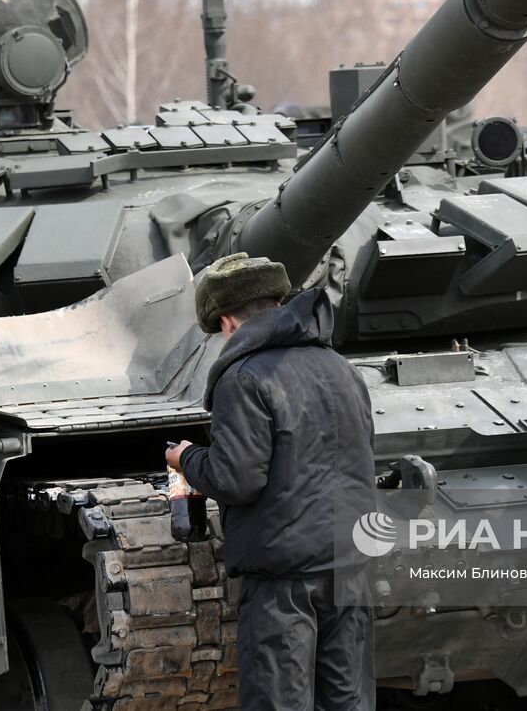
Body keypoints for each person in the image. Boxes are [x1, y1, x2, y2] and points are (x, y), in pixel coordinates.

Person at [167, 252, 376, 711]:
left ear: (226, 322)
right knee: (347, 698)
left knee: (279, 700)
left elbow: (236, 478)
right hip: (349, 563)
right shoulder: (340, 367)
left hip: (284, 579)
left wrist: (187, 458)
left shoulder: (242, 378)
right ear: (277, 301)